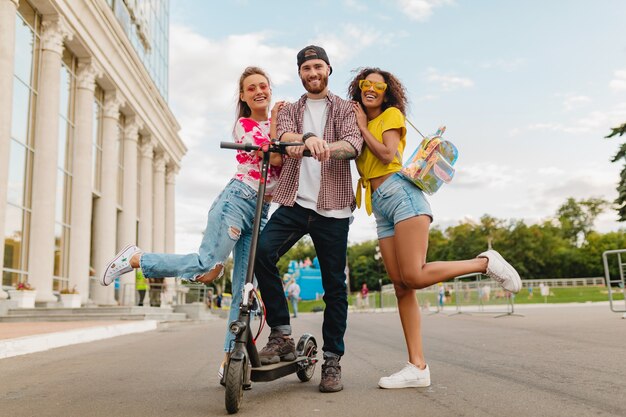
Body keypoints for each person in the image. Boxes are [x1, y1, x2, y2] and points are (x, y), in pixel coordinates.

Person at [100, 66, 284, 380]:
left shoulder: (279, 123)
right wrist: (280, 123)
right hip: (238, 200)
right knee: (205, 262)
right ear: (242, 96)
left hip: (262, 210)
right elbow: (275, 157)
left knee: (243, 292)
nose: (259, 91)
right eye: (251, 88)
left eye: (263, 86)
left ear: (270, 88)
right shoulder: (245, 125)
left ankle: (231, 362)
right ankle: (135, 258)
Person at [350, 67, 522, 389]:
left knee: (414, 274)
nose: (370, 89)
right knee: (402, 286)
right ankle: (417, 366)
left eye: (378, 85)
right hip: (382, 208)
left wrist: (361, 127)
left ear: (386, 91)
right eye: (365, 84)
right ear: (358, 88)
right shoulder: (362, 122)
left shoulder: (390, 115)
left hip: (403, 197)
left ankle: (484, 263)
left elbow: (387, 153)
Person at [254, 45, 363, 393]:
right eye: (306, 69)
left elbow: (352, 145)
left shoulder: (346, 109)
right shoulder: (291, 109)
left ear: (328, 69)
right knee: (261, 252)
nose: (312, 73)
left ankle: (332, 360)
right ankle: (282, 333)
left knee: (335, 288)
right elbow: (284, 138)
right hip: (295, 201)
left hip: (333, 209)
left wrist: (325, 147)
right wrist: (307, 138)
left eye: (318, 66)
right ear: (299, 73)